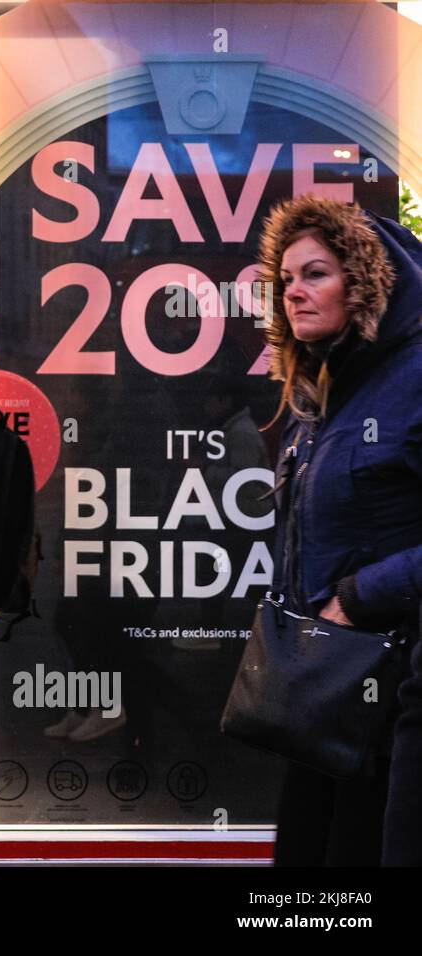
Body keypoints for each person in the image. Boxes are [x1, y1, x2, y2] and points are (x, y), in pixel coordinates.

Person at [250, 194, 422, 866]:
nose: (294, 291)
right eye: (285, 278)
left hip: (396, 695)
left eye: (315, 273)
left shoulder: (412, 378)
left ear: (367, 282)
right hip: (329, 696)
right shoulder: (322, 392)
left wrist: (358, 596)